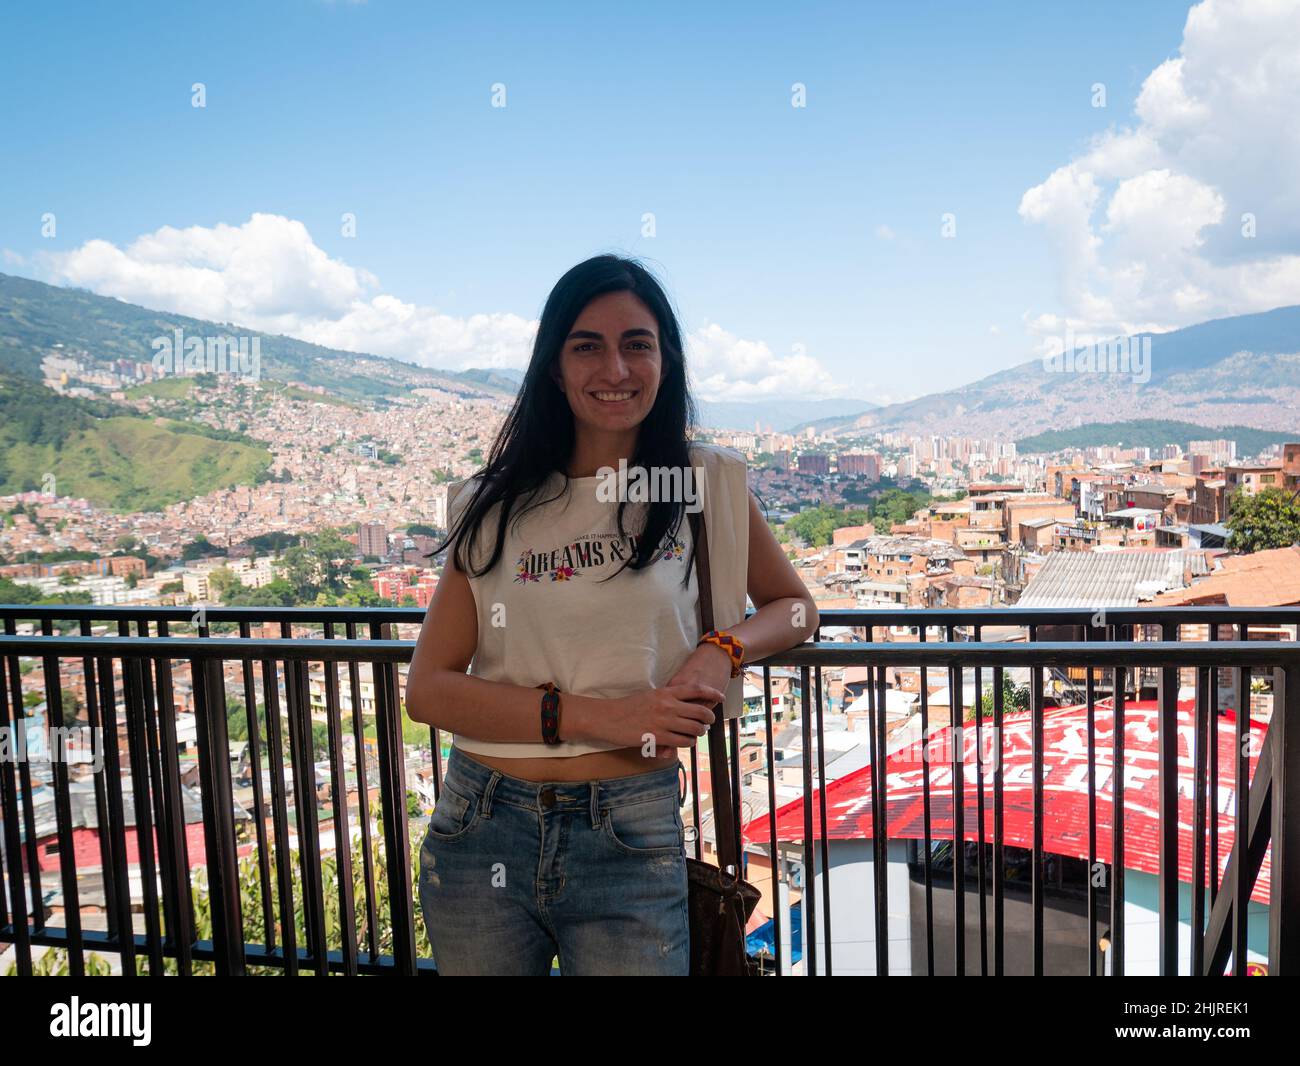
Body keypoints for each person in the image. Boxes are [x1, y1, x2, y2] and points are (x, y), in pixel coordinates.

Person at [404, 254, 819, 975]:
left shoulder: (702, 484)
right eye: (586, 345)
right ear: (554, 366)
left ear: (667, 360)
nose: (615, 368)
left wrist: (721, 648)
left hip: (626, 824)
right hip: (480, 825)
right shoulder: (493, 504)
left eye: (637, 344)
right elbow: (430, 690)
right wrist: (606, 717)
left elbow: (797, 610)